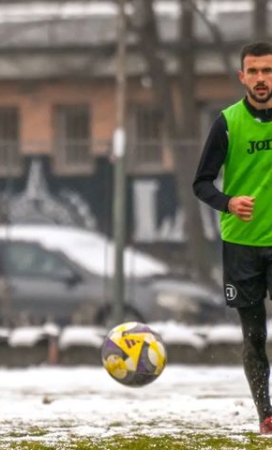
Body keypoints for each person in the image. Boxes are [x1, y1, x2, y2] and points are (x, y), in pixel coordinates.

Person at [193, 41, 272, 435]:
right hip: (242, 245)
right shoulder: (226, 123)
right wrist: (228, 202)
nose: (261, 78)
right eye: (253, 71)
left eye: (267, 70)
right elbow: (201, 183)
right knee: (254, 335)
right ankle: (267, 416)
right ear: (242, 77)